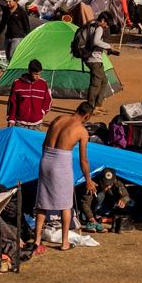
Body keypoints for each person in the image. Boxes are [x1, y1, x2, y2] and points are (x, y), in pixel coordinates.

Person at [38, 102, 93, 251]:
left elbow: (44, 144)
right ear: (87, 116)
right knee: (66, 205)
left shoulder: (58, 119)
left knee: (42, 202)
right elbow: (83, 160)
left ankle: (37, 240)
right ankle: (65, 242)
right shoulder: (81, 131)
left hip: (45, 160)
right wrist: (88, 180)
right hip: (61, 164)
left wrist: (46, 160)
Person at [75, 14, 114, 111]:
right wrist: (109, 46)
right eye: (107, 24)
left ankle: (98, 104)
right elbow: (96, 41)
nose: (107, 26)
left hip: (90, 58)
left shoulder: (90, 25)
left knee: (104, 81)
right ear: (103, 20)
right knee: (95, 84)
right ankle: (91, 107)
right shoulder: (99, 28)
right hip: (94, 59)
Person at [5, 59, 53, 126]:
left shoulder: (43, 84)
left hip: (37, 124)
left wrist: (42, 111)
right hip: (20, 123)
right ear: (30, 71)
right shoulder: (17, 83)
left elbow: (48, 100)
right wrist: (11, 119)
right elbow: (12, 103)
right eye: (36, 74)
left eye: (39, 74)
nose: (38, 77)